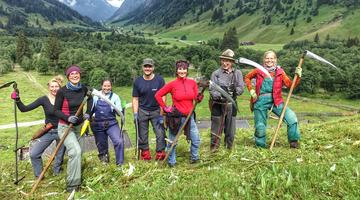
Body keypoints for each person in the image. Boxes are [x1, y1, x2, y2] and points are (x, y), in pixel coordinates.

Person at [11, 76, 66, 178]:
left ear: (60, 87)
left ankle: (57, 173)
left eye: (56, 86)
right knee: (34, 154)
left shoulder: (64, 99)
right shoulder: (43, 99)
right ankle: (39, 175)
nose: (54, 89)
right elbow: (24, 109)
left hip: (63, 130)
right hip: (48, 131)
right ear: (48, 87)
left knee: (59, 155)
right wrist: (18, 99)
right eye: (52, 86)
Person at [244, 50, 302, 148]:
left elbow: (290, 85)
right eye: (267, 58)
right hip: (260, 101)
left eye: (272, 58)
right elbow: (247, 77)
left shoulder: (280, 72)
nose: (269, 60)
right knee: (260, 126)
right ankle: (260, 146)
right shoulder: (258, 70)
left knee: (292, 118)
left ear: (275, 60)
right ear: (264, 60)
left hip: (276, 101)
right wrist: (251, 90)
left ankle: (293, 142)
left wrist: (298, 77)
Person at [155, 60, 203, 167]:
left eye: (184, 69)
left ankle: (194, 158)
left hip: (189, 117)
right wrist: (165, 108)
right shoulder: (172, 84)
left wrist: (199, 98)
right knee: (172, 142)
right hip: (176, 118)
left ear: (187, 70)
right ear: (176, 70)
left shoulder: (192, 83)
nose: (182, 71)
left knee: (196, 139)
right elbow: (158, 95)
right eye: (180, 69)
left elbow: (196, 98)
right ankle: (172, 162)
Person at [54, 65, 93, 192]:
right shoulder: (62, 91)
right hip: (66, 126)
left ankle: (76, 177)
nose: (75, 75)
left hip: (79, 126)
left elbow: (90, 98)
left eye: (77, 73)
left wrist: (88, 113)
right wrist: (67, 118)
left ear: (80, 75)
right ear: (68, 77)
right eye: (72, 74)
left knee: (79, 152)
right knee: (75, 151)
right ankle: (72, 185)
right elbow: (56, 110)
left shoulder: (83, 88)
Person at [209, 49, 244, 151]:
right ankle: (214, 150)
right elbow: (212, 90)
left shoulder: (237, 73)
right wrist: (220, 95)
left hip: (231, 104)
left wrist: (235, 91)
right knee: (216, 129)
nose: (225, 63)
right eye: (223, 60)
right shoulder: (216, 74)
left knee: (230, 131)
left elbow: (241, 88)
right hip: (218, 104)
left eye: (227, 61)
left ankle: (228, 149)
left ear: (232, 62)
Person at [132, 58, 166, 160]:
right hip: (142, 110)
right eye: (146, 66)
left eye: (150, 66)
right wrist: (135, 113)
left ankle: (160, 153)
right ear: (142, 67)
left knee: (160, 132)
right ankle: (145, 154)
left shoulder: (159, 80)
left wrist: (162, 112)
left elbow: (163, 96)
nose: (147, 68)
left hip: (156, 110)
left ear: (153, 68)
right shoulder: (138, 81)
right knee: (143, 134)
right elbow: (135, 98)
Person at [90, 79, 124, 166]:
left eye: (108, 86)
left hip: (111, 124)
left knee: (118, 141)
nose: (106, 88)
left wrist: (121, 111)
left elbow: (119, 112)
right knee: (101, 145)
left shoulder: (115, 97)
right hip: (98, 124)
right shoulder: (96, 96)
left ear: (111, 87)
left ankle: (119, 163)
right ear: (102, 86)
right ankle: (104, 162)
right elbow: (91, 110)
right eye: (105, 86)